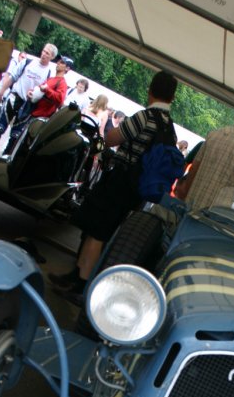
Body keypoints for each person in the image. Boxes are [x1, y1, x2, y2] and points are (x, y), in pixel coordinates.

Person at [49, 70, 179, 303]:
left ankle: (82, 285)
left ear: (151, 90)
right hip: (137, 189)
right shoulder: (169, 128)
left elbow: (112, 139)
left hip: (120, 180)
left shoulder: (145, 117)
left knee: (97, 230)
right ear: (172, 98)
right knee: (101, 229)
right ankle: (76, 275)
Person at [0, 42, 57, 159]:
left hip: (29, 105)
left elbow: (46, 92)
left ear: (52, 57)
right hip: (14, 98)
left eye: (47, 53)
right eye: (43, 51)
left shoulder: (50, 73)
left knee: (15, 135)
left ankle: (4, 158)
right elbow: (12, 76)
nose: (43, 54)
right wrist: (1, 92)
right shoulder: (28, 62)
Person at [7, 55, 71, 152]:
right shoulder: (51, 79)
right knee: (15, 138)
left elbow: (60, 99)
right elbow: (38, 90)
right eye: (58, 61)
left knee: (23, 146)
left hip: (40, 119)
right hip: (32, 114)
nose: (58, 63)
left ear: (67, 68)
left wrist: (47, 90)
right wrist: (31, 93)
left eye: (62, 62)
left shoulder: (62, 83)